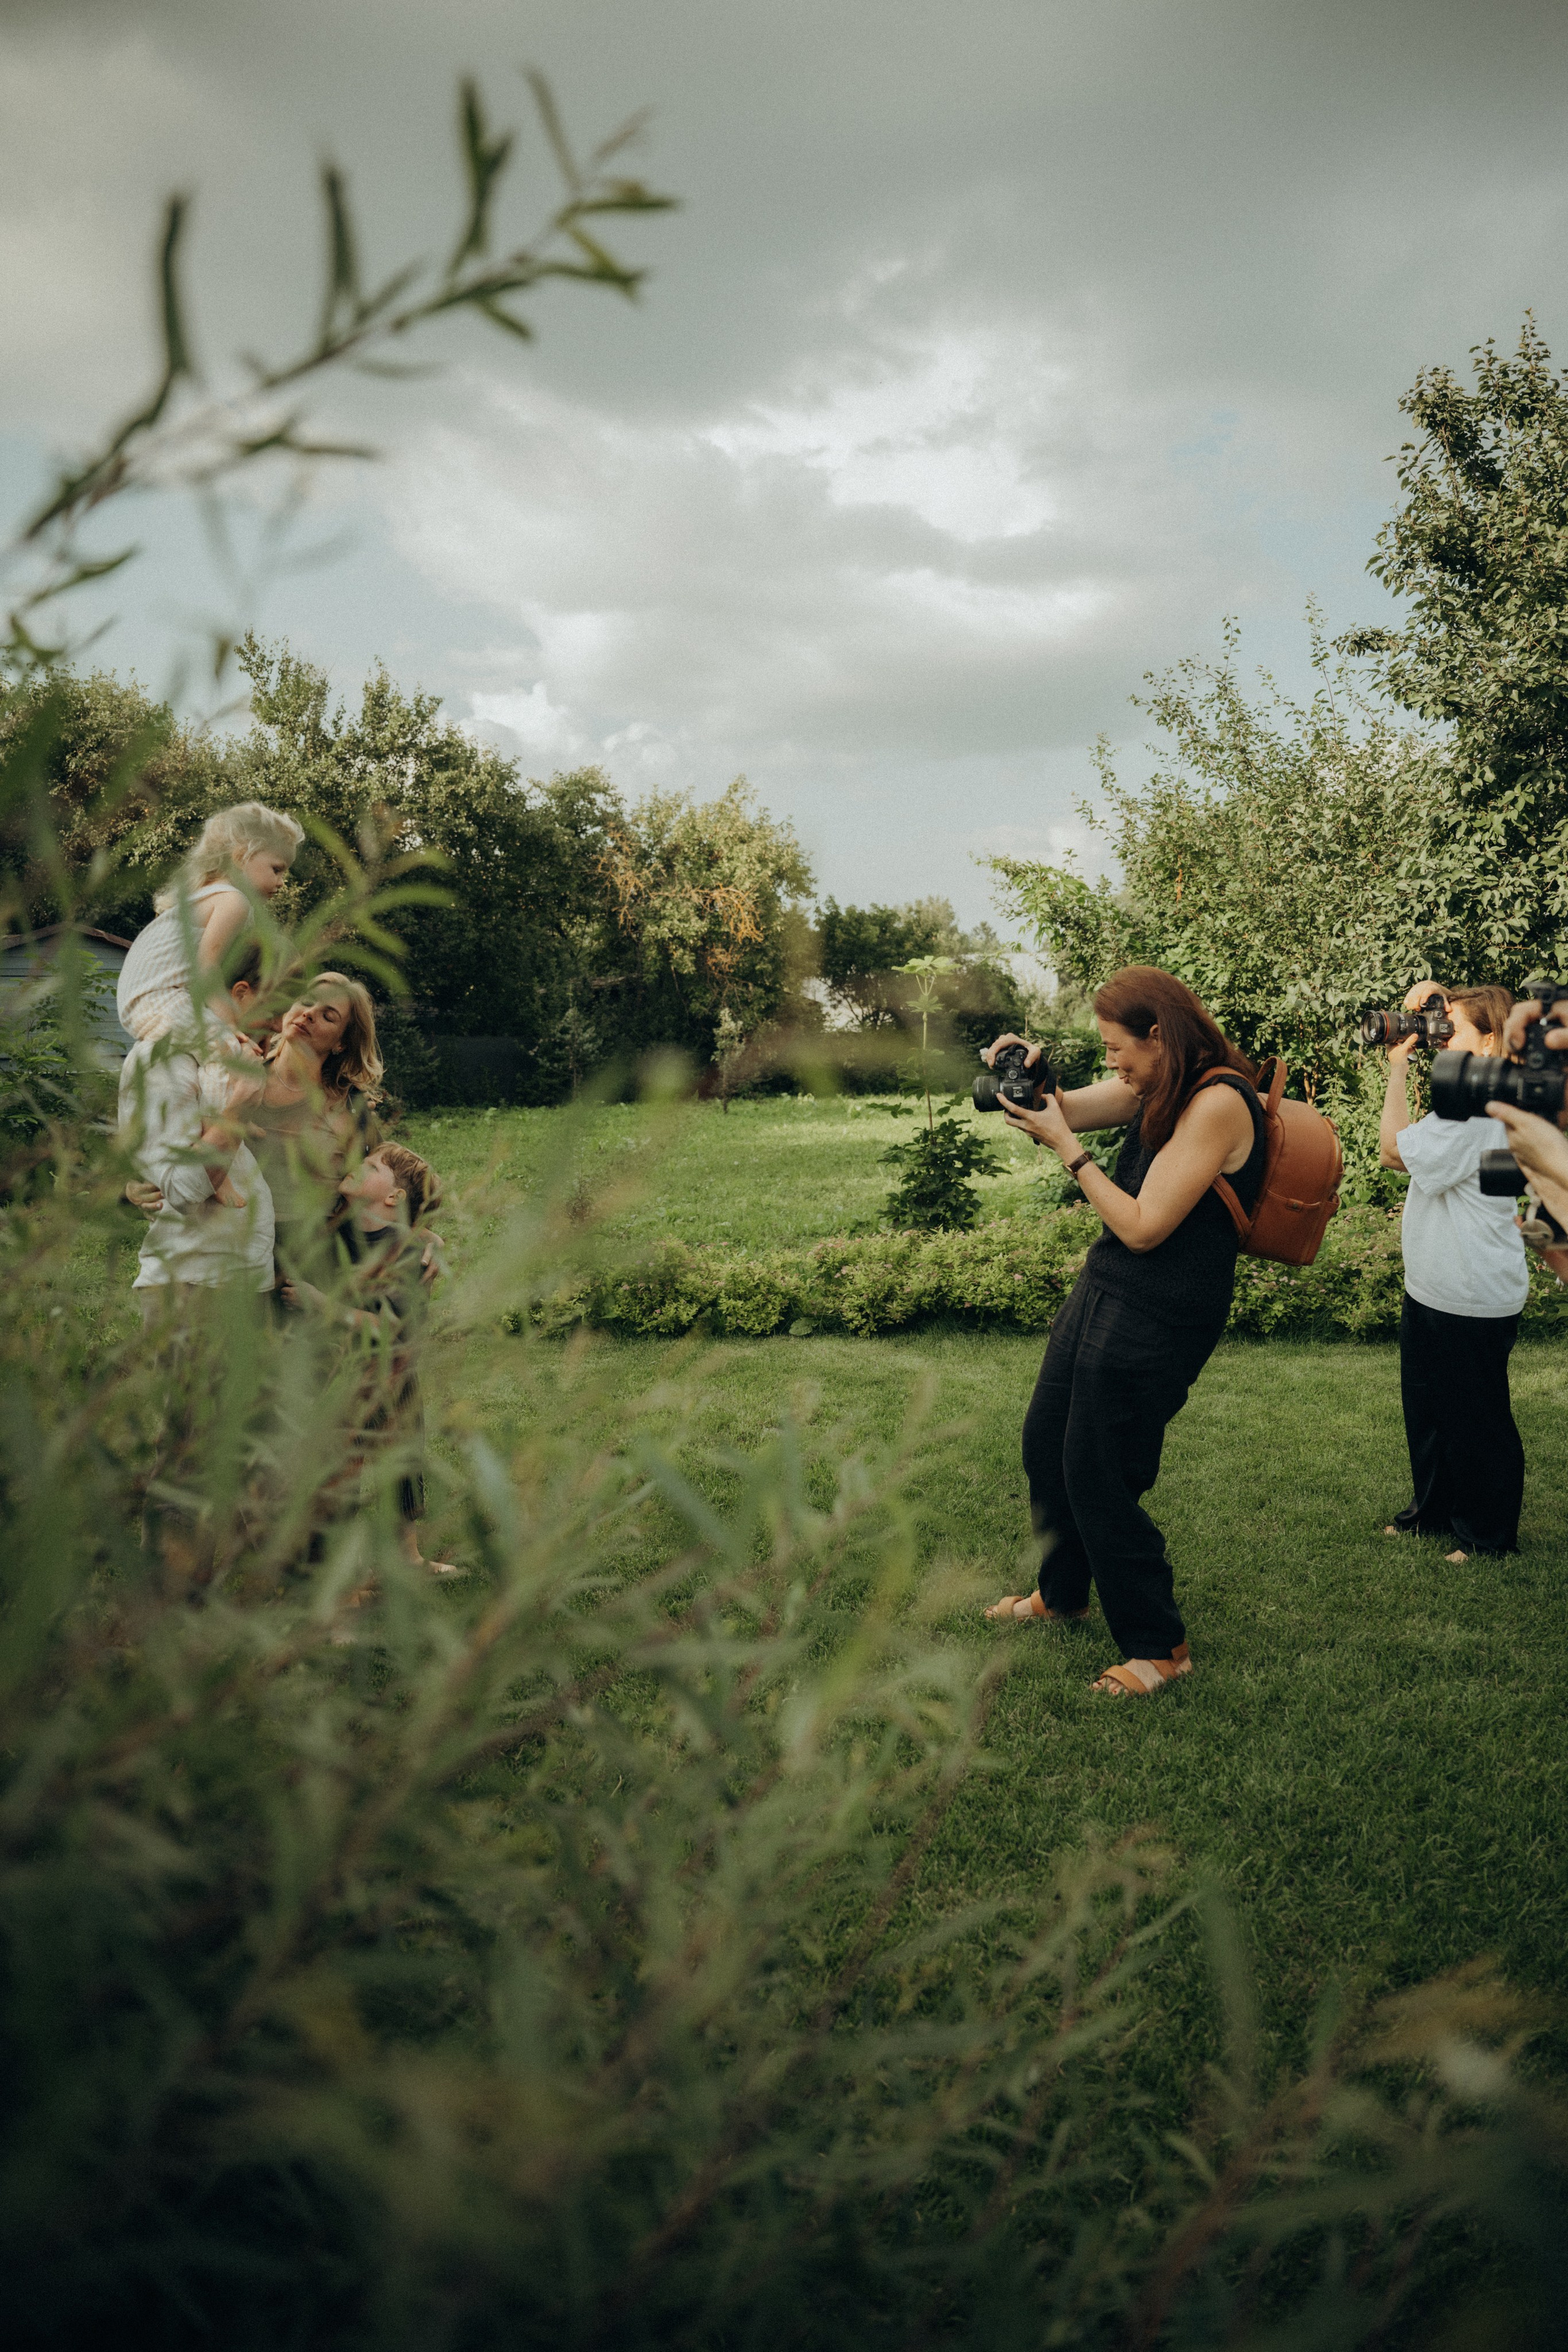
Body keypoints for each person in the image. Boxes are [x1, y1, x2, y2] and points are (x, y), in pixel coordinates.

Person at [979, 967, 1268, 1698]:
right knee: (1047, 1444)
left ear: (1159, 1036)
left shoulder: (1218, 1102)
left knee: (1099, 1471)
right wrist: (1032, 1078)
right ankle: (1063, 1594)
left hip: (1162, 1310)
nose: (1112, 1062)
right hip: (1105, 1288)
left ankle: (1159, 1647)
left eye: (1117, 1048)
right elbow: (1065, 1108)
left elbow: (1142, 1227)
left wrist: (1067, 1153)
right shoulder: (1156, 1082)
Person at [1379, 982, 1530, 1562]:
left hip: (1471, 1291)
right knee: (1432, 1412)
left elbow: (1394, 1151)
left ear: (1490, 1042)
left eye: (1452, 1033)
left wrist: (1397, 1070)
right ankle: (1433, 1515)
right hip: (1436, 1285)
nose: (1439, 1041)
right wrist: (1433, 1003)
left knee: (1477, 1422)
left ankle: (1487, 1535)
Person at [288, 1143, 453, 1575]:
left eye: (373, 1166)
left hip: (394, 1369)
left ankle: (408, 1556)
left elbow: (391, 1327)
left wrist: (323, 1305)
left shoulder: (404, 1252)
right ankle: (341, 1566)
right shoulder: (338, 1232)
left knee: (403, 1460)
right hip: (345, 1369)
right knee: (344, 1465)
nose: (358, 1166)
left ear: (393, 1197)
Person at [116, 801, 303, 1046]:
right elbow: (208, 967)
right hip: (159, 999)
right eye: (277, 869)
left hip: (149, 1000)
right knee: (229, 1050)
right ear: (241, 856)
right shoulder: (233, 902)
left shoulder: (212, 895)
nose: (281, 882)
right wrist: (229, 1027)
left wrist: (256, 1030)